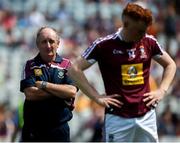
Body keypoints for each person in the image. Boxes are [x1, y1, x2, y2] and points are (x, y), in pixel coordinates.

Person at [68, 3, 176, 142]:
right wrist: (95, 96)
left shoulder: (149, 42)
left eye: (144, 30)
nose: (143, 35)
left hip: (147, 117)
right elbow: (74, 69)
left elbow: (170, 64)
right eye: (139, 31)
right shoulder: (104, 45)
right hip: (117, 119)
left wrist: (162, 90)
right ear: (126, 24)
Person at [20, 27, 77, 142]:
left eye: (51, 41)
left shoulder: (67, 65)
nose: (48, 45)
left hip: (59, 130)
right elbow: (30, 94)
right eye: (44, 41)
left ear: (58, 43)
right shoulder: (30, 65)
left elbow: (71, 91)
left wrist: (45, 85)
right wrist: (61, 93)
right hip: (33, 131)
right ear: (37, 44)